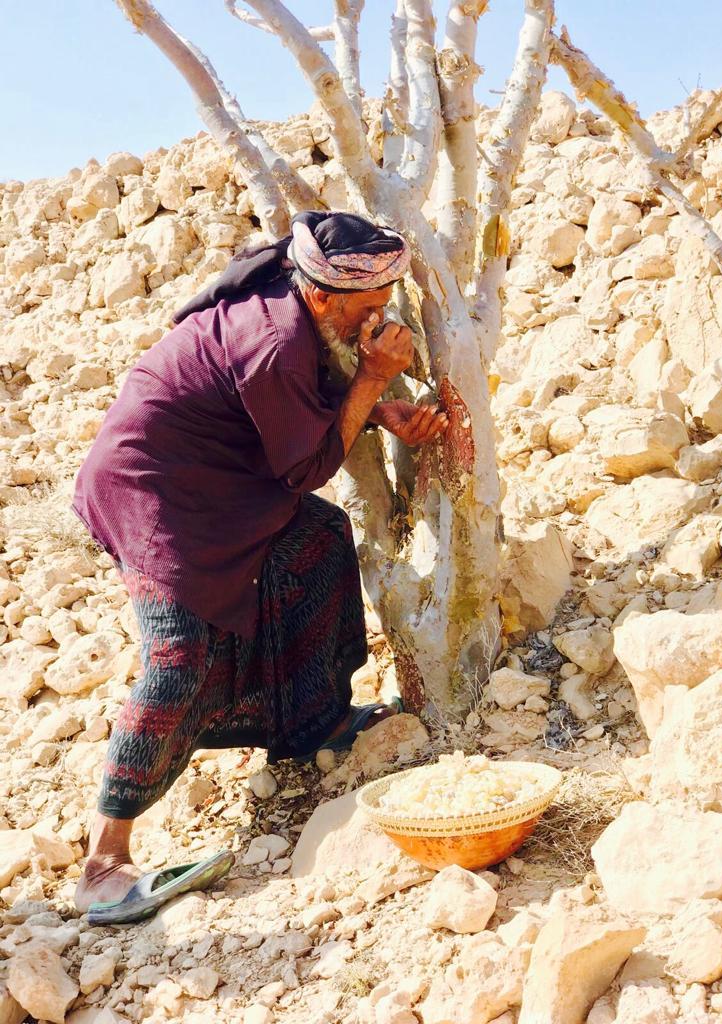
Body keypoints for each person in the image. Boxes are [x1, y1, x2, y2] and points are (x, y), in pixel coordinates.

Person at [70, 211, 448, 924]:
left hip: (215, 480)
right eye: (368, 309)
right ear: (324, 296)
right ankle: (104, 862)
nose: (379, 319)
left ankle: (311, 724)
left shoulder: (293, 307)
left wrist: (376, 409)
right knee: (178, 655)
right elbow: (305, 465)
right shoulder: (275, 339)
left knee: (318, 537)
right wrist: (372, 379)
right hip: (152, 490)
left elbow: (285, 413)